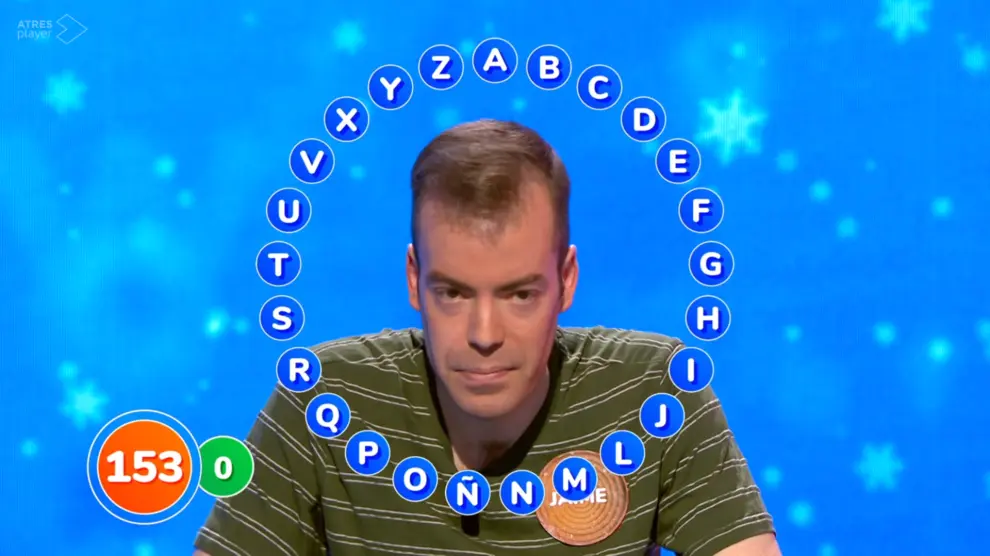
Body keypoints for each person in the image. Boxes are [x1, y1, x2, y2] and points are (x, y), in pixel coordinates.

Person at [193, 120, 779, 556]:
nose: (483, 335)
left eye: (519, 295)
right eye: (453, 293)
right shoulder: (323, 402)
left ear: (566, 281)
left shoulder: (654, 395)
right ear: (414, 280)